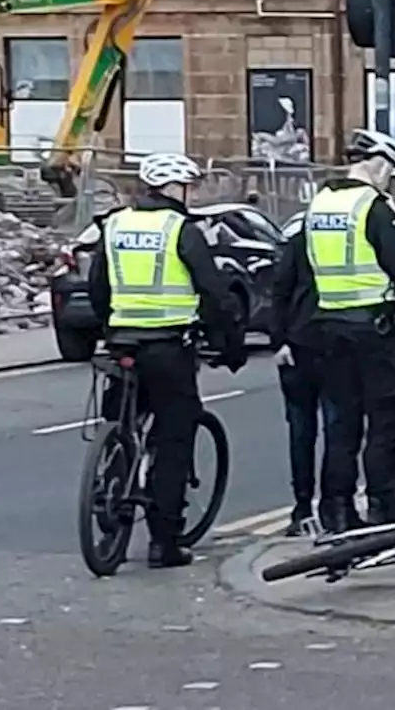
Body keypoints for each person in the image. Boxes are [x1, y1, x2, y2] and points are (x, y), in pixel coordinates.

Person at [87, 153, 247, 568]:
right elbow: (212, 293)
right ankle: (164, 542)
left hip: (123, 344)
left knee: (122, 421)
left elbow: (98, 286)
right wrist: (229, 344)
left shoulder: (116, 223)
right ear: (175, 188)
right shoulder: (181, 230)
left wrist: (111, 329)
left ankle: (110, 489)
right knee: (175, 436)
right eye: (188, 188)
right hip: (168, 347)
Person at [285, 129, 395, 534]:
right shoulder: (373, 208)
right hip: (373, 330)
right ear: (378, 163)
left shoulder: (318, 205)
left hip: (328, 328)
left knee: (342, 425)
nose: (389, 179)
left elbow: (302, 270)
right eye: (390, 171)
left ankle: (338, 512)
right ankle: (381, 509)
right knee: (383, 421)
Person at [270, 213, 335, 536]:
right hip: (336, 345)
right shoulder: (349, 244)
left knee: (301, 431)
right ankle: (330, 507)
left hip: (298, 344)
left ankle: (302, 509)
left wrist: (279, 341)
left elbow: (279, 293)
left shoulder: (299, 243)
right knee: (337, 430)